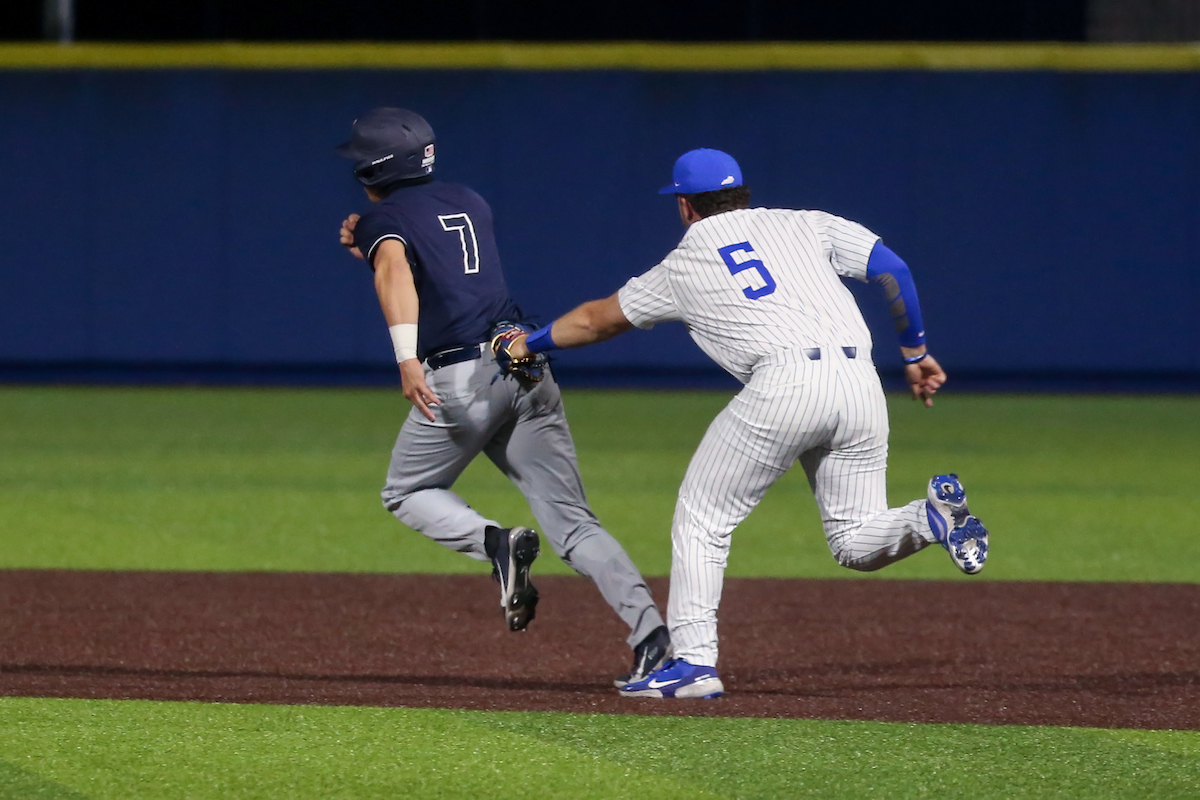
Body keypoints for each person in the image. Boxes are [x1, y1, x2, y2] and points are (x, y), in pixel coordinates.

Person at [503, 148, 990, 699]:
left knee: (702, 517)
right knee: (854, 540)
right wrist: (914, 350)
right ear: (742, 194)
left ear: (685, 206)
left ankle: (692, 663)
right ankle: (929, 519)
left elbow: (595, 321)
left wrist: (529, 341)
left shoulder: (685, 262)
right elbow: (892, 270)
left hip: (785, 384)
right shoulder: (807, 223)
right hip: (861, 383)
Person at [335, 107, 671, 685]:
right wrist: (371, 241)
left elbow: (397, 270)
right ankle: (654, 640)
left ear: (372, 169)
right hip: (523, 367)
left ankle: (495, 543)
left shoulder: (382, 221)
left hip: (460, 379)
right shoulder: (469, 200)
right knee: (574, 523)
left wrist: (405, 355)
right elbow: (433, 266)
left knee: (407, 491)